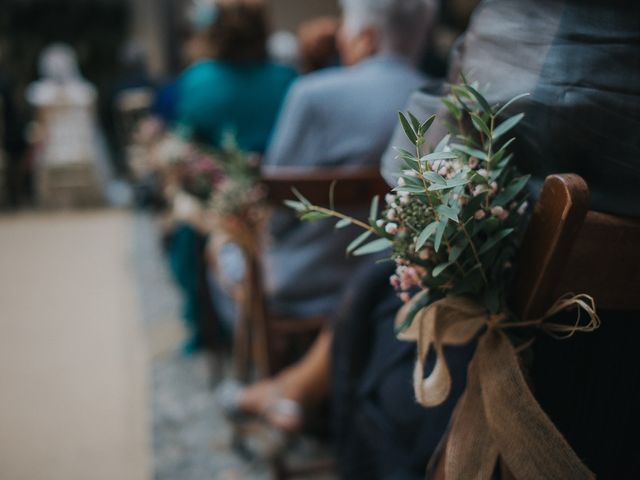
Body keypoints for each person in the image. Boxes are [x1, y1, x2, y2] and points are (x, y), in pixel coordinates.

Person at [221, 0, 438, 433]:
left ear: (367, 38)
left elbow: (279, 216)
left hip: (305, 279)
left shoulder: (313, 94)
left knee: (224, 250)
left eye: (345, 28)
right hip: (397, 282)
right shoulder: (439, 100)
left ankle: (275, 369)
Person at [168, 0, 296, 354]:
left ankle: (207, 329)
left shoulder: (197, 79)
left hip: (223, 212)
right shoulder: (287, 78)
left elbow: (186, 149)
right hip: (288, 211)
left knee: (185, 221)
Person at [176, 0, 297, 152]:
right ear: (263, 29)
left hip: (220, 174)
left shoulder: (196, 79)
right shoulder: (288, 78)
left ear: (214, 31)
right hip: (285, 172)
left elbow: (187, 140)